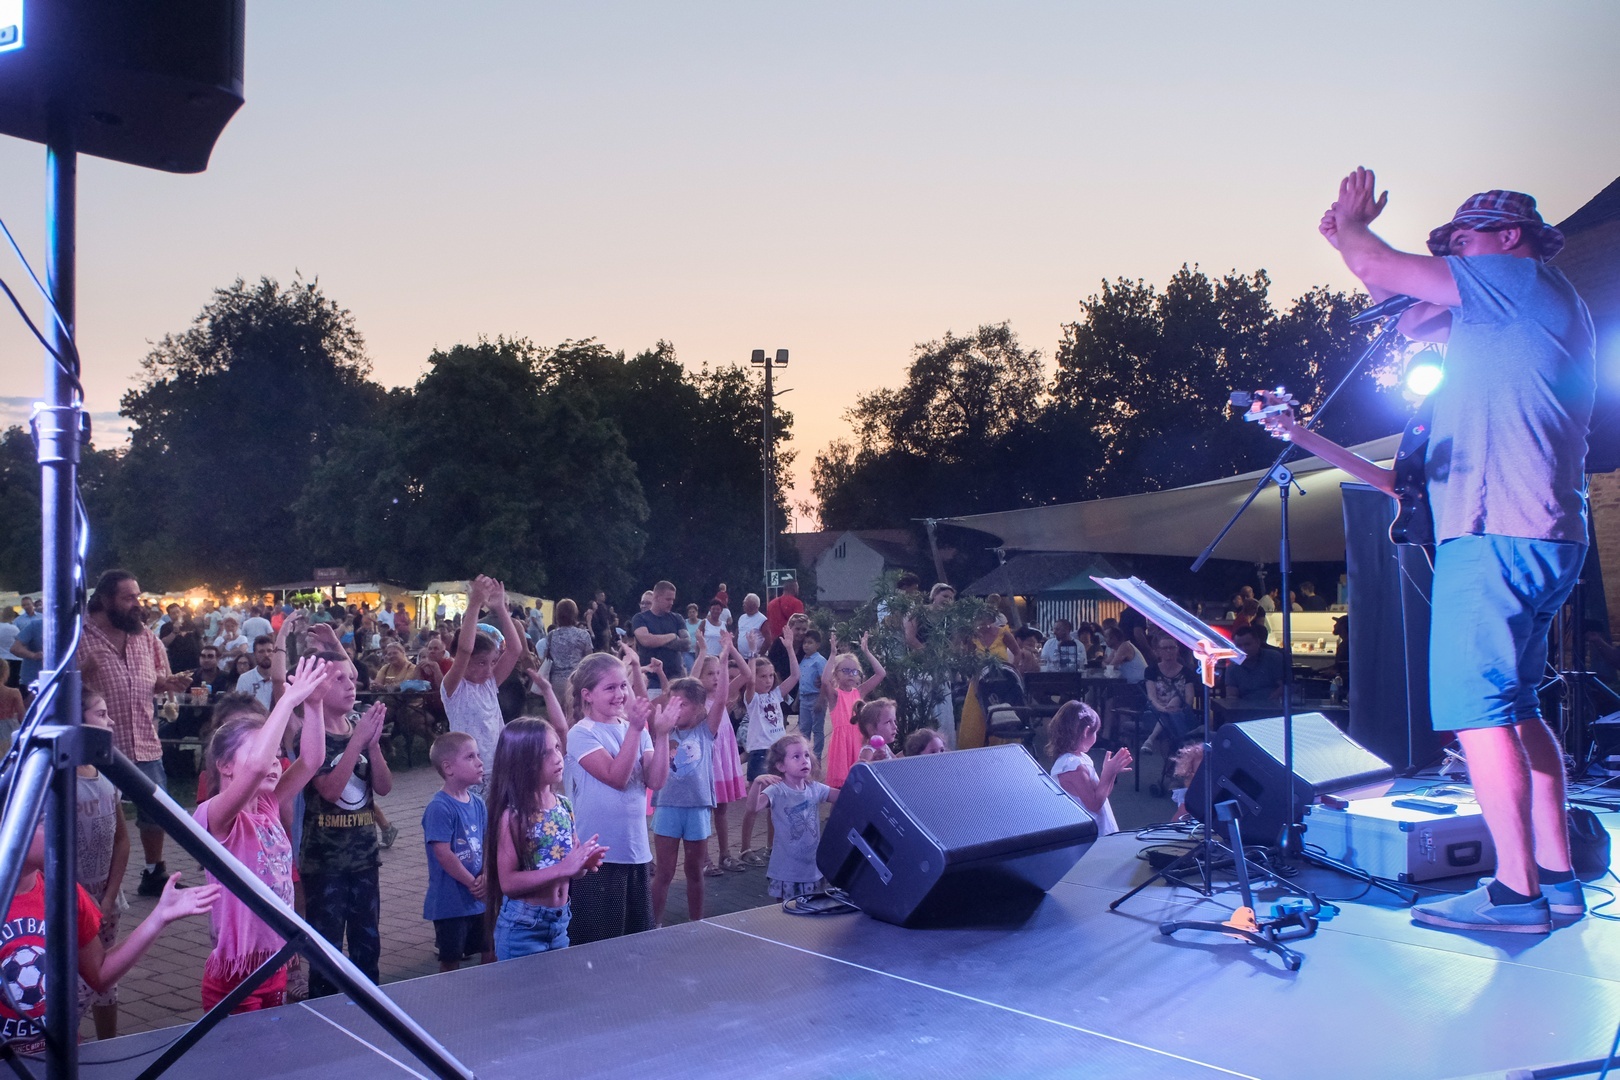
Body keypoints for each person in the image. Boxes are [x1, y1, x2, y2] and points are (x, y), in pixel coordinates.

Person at [1262, 170, 1593, 934]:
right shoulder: (1506, 338)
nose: (1452, 261)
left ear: (1507, 239)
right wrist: (1302, 434)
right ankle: (1556, 879)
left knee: (1478, 717)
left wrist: (1353, 230)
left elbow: (1382, 268)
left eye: (1460, 245)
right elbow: (1397, 468)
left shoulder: (1515, 281)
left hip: (1495, 538)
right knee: (1517, 709)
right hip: (1542, 536)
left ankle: (1515, 896)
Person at [0, 814, 218, 1056]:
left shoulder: (64, 893)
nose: (61, 829)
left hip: (58, 1059)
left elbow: (100, 973)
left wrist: (159, 917)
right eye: (43, 820)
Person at [195, 658, 333, 1012]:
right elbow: (256, 767)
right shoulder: (217, 817)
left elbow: (312, 760)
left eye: (276, 754)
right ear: (225, 766)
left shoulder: (268, 806)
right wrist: (287, 699)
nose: (273, 760)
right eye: (264, 751)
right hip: (235, 974)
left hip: (275, 961)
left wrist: (314, 703)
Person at [76, 570, 192, 897]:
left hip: (143, 739)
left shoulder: (145, 636)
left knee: (156, 812)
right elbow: (56, 689)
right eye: (128, 598)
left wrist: (168, 683)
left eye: (137, 596)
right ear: (105, 599)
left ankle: (154, 872)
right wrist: (81, 672)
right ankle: (94, 881)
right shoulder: (77, 635)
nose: (137, 604)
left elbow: (154, 679)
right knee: (97, 818)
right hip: (98, 747)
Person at [564, 653, 674, 944]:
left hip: (635, 851)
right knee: (599, 943)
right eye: (610, 688)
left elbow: (656, 781)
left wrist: (662, 734)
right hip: (599, 857)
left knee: (635, 942)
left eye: (623, 686)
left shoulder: (634, 728)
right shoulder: (581, 733)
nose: (620, 694)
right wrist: (636, 729)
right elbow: (616, 777)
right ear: (587, 695)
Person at [301, 654, 392, 997]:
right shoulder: (312, 735)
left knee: (367, 944)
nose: (350, 685)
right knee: (326, 950)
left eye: (351, 679)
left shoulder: (359, 729)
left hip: (364, 857)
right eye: (338, 679)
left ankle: (371, 1008)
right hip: (325, 863)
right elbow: (330, 790)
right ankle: (325, 1013)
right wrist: (357, 743)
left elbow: (383, 787)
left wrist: (373, 745)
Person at [486, 719, 608, 959]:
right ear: (521, 762)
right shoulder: (514, 816)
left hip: (559, 923)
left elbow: (571, 871)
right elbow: (508, 883)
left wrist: (582, 864)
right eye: (545, 753)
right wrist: (563, 868)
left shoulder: (564, 806)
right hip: (524, 928)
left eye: (557, 748)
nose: (557, 758)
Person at [76, 693, 131, 1039]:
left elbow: (122, 840)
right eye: (101, 714)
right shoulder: (57, 782)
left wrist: (108, 898)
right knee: (76, 981)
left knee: (107, 979)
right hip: (72, 906)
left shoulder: (106, 775)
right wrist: (83, 905)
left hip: (105, 901)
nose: (110, 721)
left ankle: (109, 1045)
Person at [649, 678, 723, 926]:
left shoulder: (705, 731)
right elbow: (646, 704)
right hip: (667, 807)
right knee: (664, 872)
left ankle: (696, 923)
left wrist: (725, 661)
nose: (676, 710)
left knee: (695, 871)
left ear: (699, 707)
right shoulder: (663, 731)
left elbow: (721, 699)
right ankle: (654, 926)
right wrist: (638, 669)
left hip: (697, 809)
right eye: (673, 704)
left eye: (683, 705)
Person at [442, 576, 523, 796]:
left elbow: (515, 650)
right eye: (480, 663)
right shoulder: (454, 687)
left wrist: (501, 609)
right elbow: (465, 649)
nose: (488, 670)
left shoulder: (489, 683)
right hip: (468, 773)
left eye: (492, 663)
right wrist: (475, 603)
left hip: (498, 768)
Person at [421, 732, 493, 972]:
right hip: (451, 902)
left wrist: (486, 875)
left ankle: (489, 989)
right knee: (451, 959)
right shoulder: (439, 807)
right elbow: (443, 854)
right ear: (448, 768)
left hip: (479, 898)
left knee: (490, 949)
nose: (479, 762)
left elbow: (486, 843)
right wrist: (473, 883)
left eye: (478, 756)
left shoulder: (478, 803)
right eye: (470, 757)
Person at [747, 735, 837, 900]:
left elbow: (844, 796)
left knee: (813, 913)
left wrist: (861, 768)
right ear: (781, 765)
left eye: (806, 755)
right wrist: (757, 783)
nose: (804, 761)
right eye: (796, 756)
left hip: (813, 870)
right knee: (787, 913)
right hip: (786, 872)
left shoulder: (814, 788)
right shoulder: (777, 790)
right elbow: (753, 807)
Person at [737, 648, 800, 865]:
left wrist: (789, 648)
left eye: (771, 675)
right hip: (760, 754)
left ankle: (772, 847)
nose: (768, 680)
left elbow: (795, 676)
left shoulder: (775, 695)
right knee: (754, 805)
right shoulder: (752, 699)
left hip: (778, 754)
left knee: (776, 803)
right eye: (762, 676)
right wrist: (752, 656)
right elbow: (749, 680)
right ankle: (745, 849)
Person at [692, 635, 747, 874]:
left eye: (717, 673)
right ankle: (704, 859)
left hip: (723, 758)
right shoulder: (696, 701)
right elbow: (690, 679)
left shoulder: (721, 696)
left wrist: (730, 650)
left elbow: (746, 674)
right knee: (705, 811)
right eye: (710, 674)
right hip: (708, 761)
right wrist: (703, 651)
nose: (715, 678)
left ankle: (725, 854)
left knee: (722, 809)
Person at [1046, 700, 1129, 836]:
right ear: (1086, 732)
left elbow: (1102, 794)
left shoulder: (1081, 758)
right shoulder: (1072, 766)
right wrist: (1107, 773)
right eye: (1095, 732)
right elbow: (1094, 804)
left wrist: (1112, 772)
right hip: (1088, 834)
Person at [821, 632, 888, 789]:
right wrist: (832, 655)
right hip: (841, 745)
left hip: (858, 740)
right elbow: (824, 680)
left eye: (854, 671)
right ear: (836, 674)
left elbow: (881, 673)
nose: (850, 674)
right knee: (841, 786)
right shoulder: (835, 695)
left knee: (860, 782)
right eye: (845, 670)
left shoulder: (859, 692)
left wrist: (867, 652)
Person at [631, 580, 688, 696]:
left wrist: (656, 640)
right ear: (656, 597)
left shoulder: (677, 618)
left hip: (677, 679)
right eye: (668, 599)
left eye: (672, 599)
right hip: (651, 680)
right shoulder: (640, 618)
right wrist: (672, 636)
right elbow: (646, 640)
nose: (671, 603)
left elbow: (686, 644)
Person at [1222, 623, 1287, 703]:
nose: (1243, 649)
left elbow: (1285, 687)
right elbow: (1232, 695)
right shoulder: (1232, 667)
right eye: (1239, 646)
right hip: (1245, 708)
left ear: (1258, 643)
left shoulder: (1273, 658)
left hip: (1274, 706)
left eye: (1247, 644)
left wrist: (1272, 700)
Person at [544, 599, 594, 699]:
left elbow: (546, 657)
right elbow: (589, 660)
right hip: (577, 679)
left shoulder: (551, 635)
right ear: (575, 613)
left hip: (556, 681)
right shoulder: (583, 635)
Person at [795, 628, 828, 758]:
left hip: (816, 697)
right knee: (804, 730)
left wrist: (821, 700)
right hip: (804, 698)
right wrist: (797, 700)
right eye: (805, 643)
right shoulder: (803, 660)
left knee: (817, 729)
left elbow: (825, 682)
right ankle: (805, 755)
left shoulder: (819, 660)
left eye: (810, 642)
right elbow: (801, 681)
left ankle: (817, 757)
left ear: (817, 645)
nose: (806, 645)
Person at [234, 635, 277, 707]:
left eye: (269, 651)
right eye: (261, 652)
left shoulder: (284, 677)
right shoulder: (245, 679)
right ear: (254, 654)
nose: (266, 655)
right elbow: (239, 706)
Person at [854, 698, 900, 763]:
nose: (895, 726)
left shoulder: (885, 747)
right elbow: (860, 767)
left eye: (894, 721)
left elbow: (897, 763)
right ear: (871, 729)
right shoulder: (869, 751)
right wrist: (873, 760)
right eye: (888, 722)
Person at [764, 578, 804, 650]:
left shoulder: (771, 604)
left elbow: (769, 624)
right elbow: (801, 623)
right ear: (794, 588)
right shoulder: (797, 603)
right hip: (790, 643)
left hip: (775, 644)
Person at [736, 593, 767, 659]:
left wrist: (759, 655)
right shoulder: (742, 618)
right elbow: (738, 634)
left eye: (745, 603)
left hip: (755, 658)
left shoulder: (762, 620)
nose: (743, 605)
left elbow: (768, 640)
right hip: (742, 658)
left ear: (753, 605)